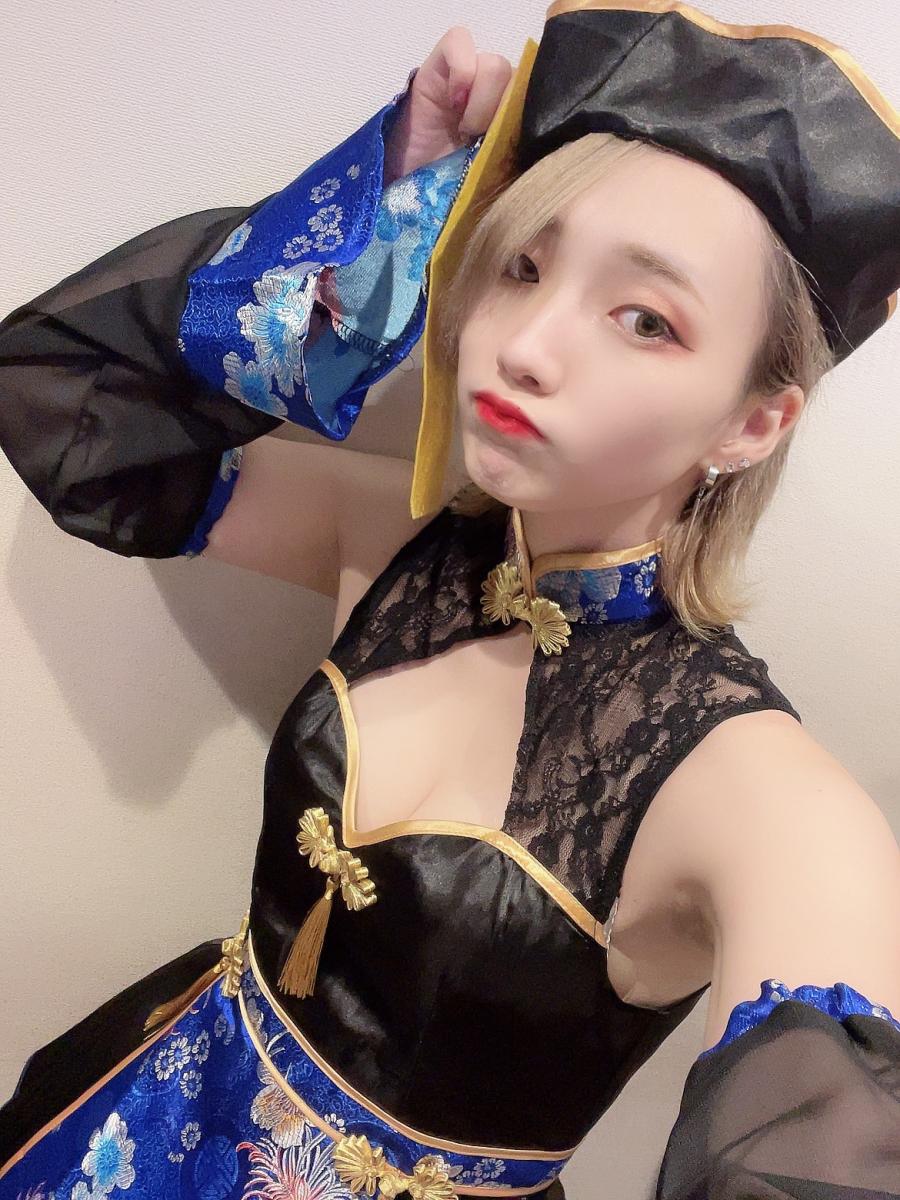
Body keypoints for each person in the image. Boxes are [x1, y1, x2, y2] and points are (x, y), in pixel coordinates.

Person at [1, 3, 899, 1197]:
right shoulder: (394, 538)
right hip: (143, 1118)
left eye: (645, 319)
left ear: (753, 421)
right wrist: (386, 201)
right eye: (522, 265)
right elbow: (63, 399)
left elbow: (821, 1143)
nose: (523, 344)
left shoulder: (759, 792)